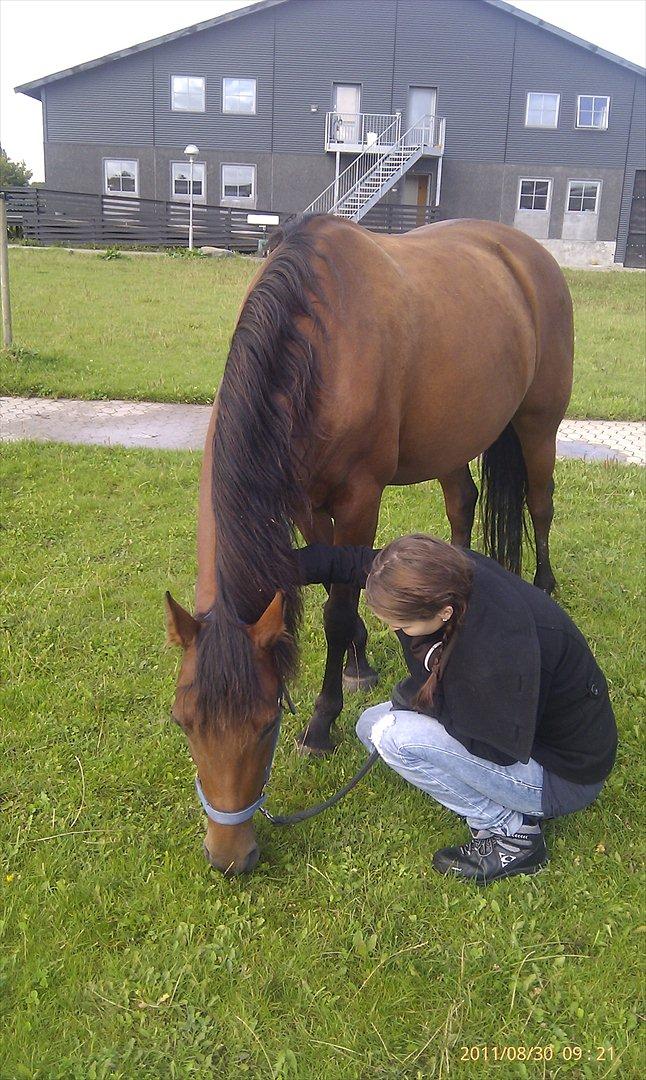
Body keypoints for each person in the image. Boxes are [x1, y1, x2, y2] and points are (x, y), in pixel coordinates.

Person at [295, 535, 617, 884]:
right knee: (369, 724)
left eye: (402, 625)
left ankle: (514, 835)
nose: (393, 629)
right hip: (523, 729)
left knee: (393, 737)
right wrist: (274, 568)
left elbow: (496, 748)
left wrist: (423, 706)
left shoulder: (492, 654)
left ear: (443, 612)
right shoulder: (443, 574)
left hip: (561, 777)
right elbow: (351, 561)